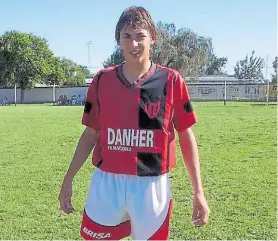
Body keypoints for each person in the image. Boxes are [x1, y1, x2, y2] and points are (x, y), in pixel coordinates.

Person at [58, 6, 210, 240]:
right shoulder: (102, 80)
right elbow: (90, 135)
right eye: (127, 36)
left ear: (153, 38)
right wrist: (69, 177)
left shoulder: (171, 80)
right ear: (118, 39)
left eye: (140, 36)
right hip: (107, 181)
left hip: (151, 185)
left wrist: (198, 191)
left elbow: (186, 136)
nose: (134, 44)